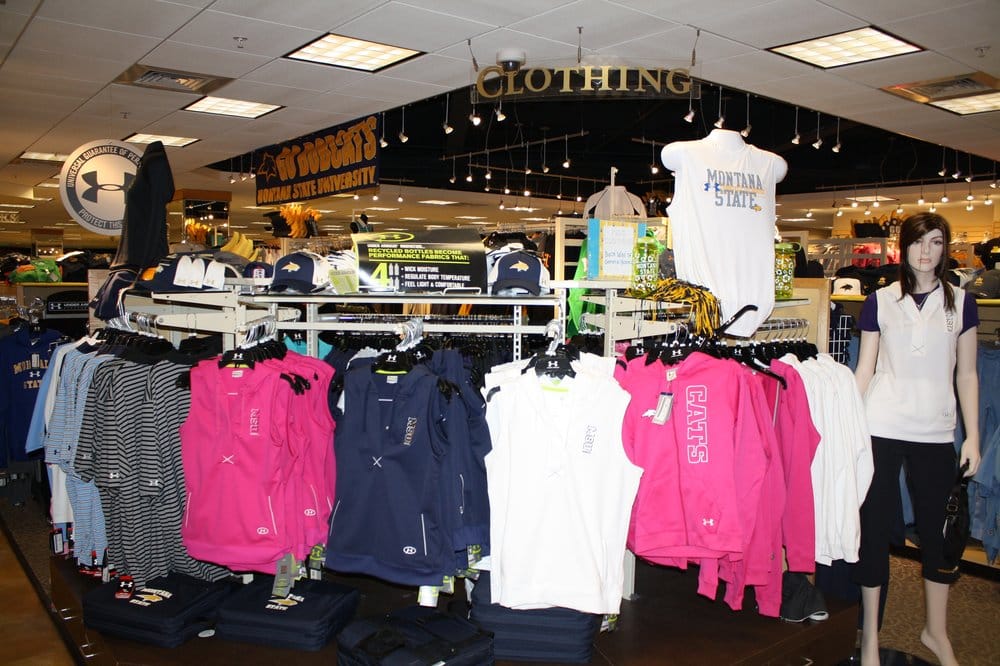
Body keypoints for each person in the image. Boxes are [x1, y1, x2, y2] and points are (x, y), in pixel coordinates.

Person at [853, 212, 981, 666]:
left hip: (936, 431)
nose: (926, 252)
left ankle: (936, 631)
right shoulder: (880, 301)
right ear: (903, 247)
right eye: (917, 242)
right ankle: (870, 636)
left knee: (939, 534)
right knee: (873, 531)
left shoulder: (962, 303)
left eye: (936, 242)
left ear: (945, 248)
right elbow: (865, 368)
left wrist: (973, 437)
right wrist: (848, 424)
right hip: (881, 426)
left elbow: (967, 374)